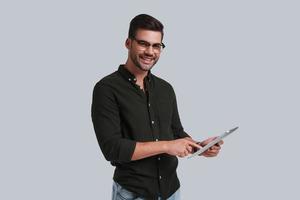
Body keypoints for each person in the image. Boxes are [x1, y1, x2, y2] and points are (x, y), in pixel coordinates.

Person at [91, 14, 223, 200]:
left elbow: (176, 133)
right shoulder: (106, 89)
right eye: (143, 44)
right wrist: (167, 146)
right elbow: (112, 149)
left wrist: (199, 147)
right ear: (128, 43)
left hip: (171, 191)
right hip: (133, 193)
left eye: (156, 46)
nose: (150, 51)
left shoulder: (165, 89)